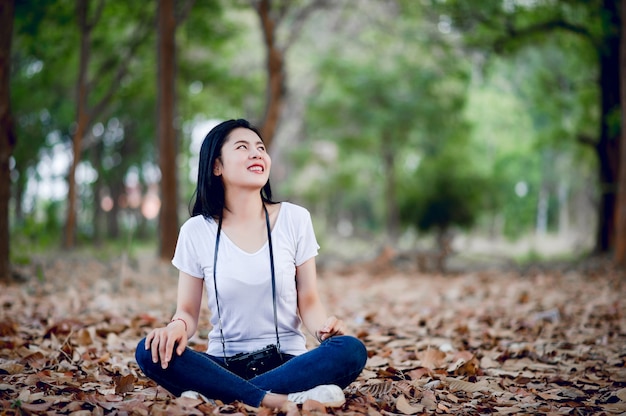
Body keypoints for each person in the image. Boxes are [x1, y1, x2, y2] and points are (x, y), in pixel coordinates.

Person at [135, 118, 367, 409]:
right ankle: (279, 399)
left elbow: (308, 300)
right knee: (149, 350)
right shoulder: (196, 231)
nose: (256, 153)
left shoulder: (295, 219)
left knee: (349, 349)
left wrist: (324, 329)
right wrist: (175, 328)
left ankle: (219, 396)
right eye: (242, 147)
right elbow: (187, 311)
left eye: (260, 147)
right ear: (216, 166)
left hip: (288, 363)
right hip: (223, 364)